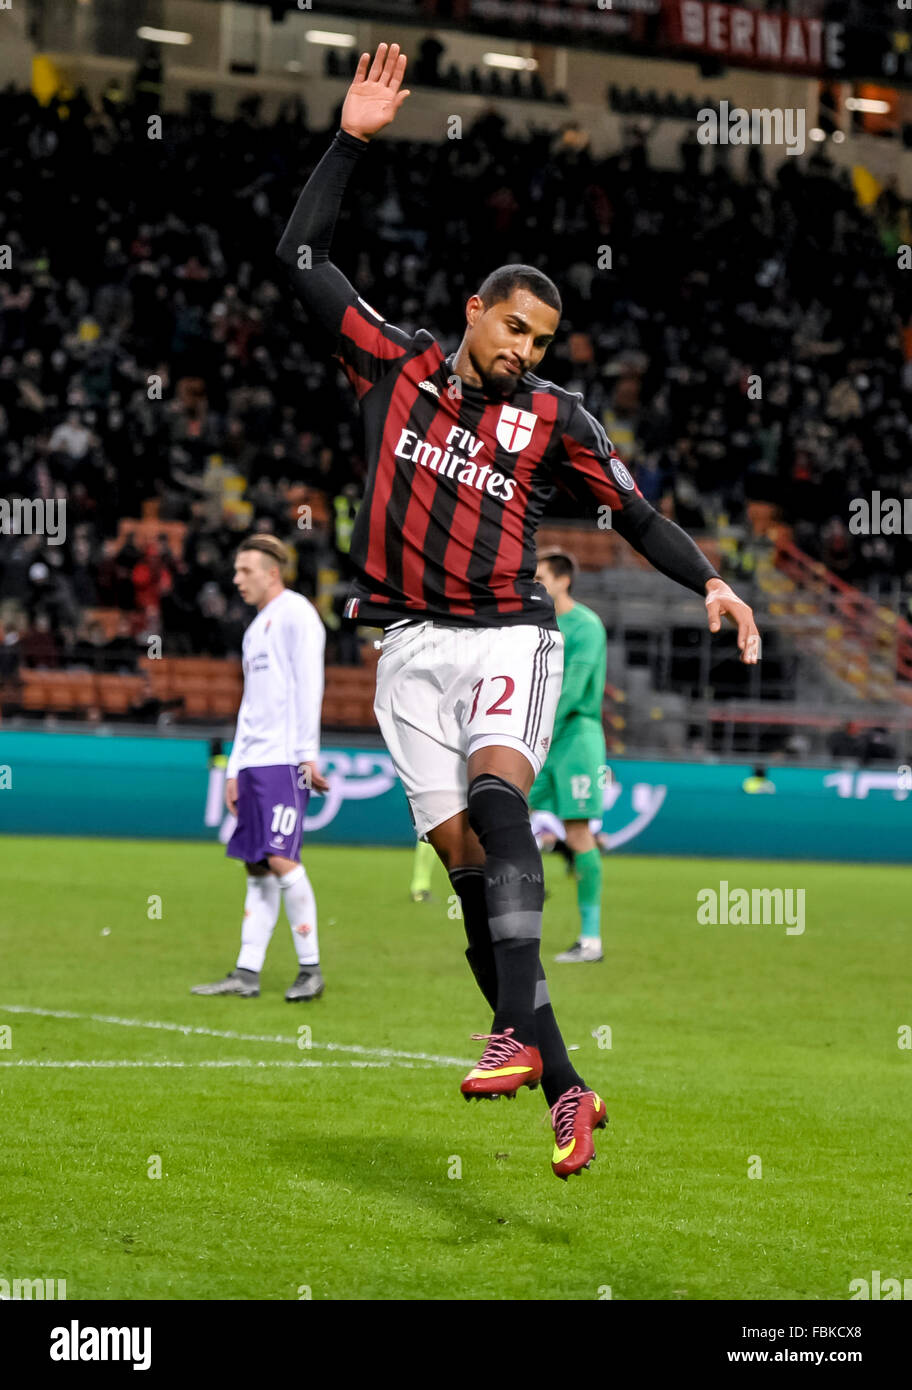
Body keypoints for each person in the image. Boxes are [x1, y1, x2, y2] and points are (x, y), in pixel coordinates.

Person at [276, 43, 760, 1178]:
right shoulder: (390, 364)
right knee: (466, 877)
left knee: (502, 795)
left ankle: (508, 1037)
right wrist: (349, 139)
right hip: (404, 652)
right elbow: (298, 255)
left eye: (541, 342)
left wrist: (715, 580)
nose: (525, 353)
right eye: (513, 331)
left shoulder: (556, 418)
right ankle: (567, 1080)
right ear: (472, 312)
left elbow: (636, 516)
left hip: (507, 633)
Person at [191, 534, 330, 1002]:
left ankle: (310, 968)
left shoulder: (297, 614)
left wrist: (307, 754)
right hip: (255, 764)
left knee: (281, 858)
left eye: (245, 570)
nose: (236, 579)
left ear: (272, 572)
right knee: (256, 867)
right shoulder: (256, 628)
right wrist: (235, 767)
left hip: (284, 762)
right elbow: (250, 705)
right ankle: (246, 973)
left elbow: (311, 684)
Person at [529, 548, 608, 963]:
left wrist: (535, 736)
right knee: (510, 821)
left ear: (563, 580)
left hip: (574, 738)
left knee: (578, 833)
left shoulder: (585, 626)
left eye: (540, 577)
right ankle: (516, 932)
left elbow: (574, 690)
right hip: (538, 736)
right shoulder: (529, 624)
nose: (534, 584)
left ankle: (590, 941)